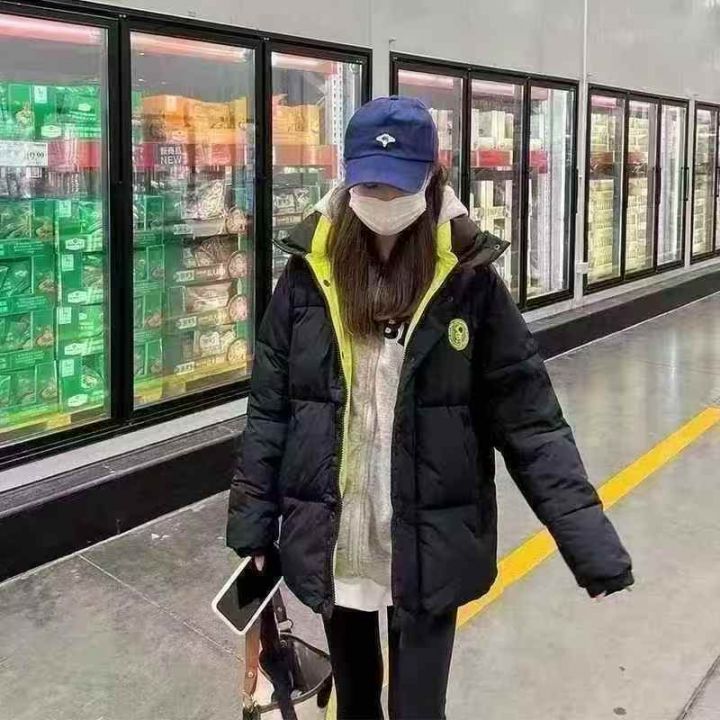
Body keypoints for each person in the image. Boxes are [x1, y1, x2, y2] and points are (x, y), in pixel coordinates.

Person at [227, 96, 633, 720]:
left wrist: (588, 541)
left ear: (430, 178)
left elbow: (530, 421)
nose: (382, 200)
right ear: (348, 177)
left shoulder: (468, 279)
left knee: (418, 708)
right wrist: (253, 523)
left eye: (397, 186)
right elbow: (271, 407)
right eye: (369, 185)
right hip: (340, 537)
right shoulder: (310, 273)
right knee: (355, 699)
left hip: (429, 537)